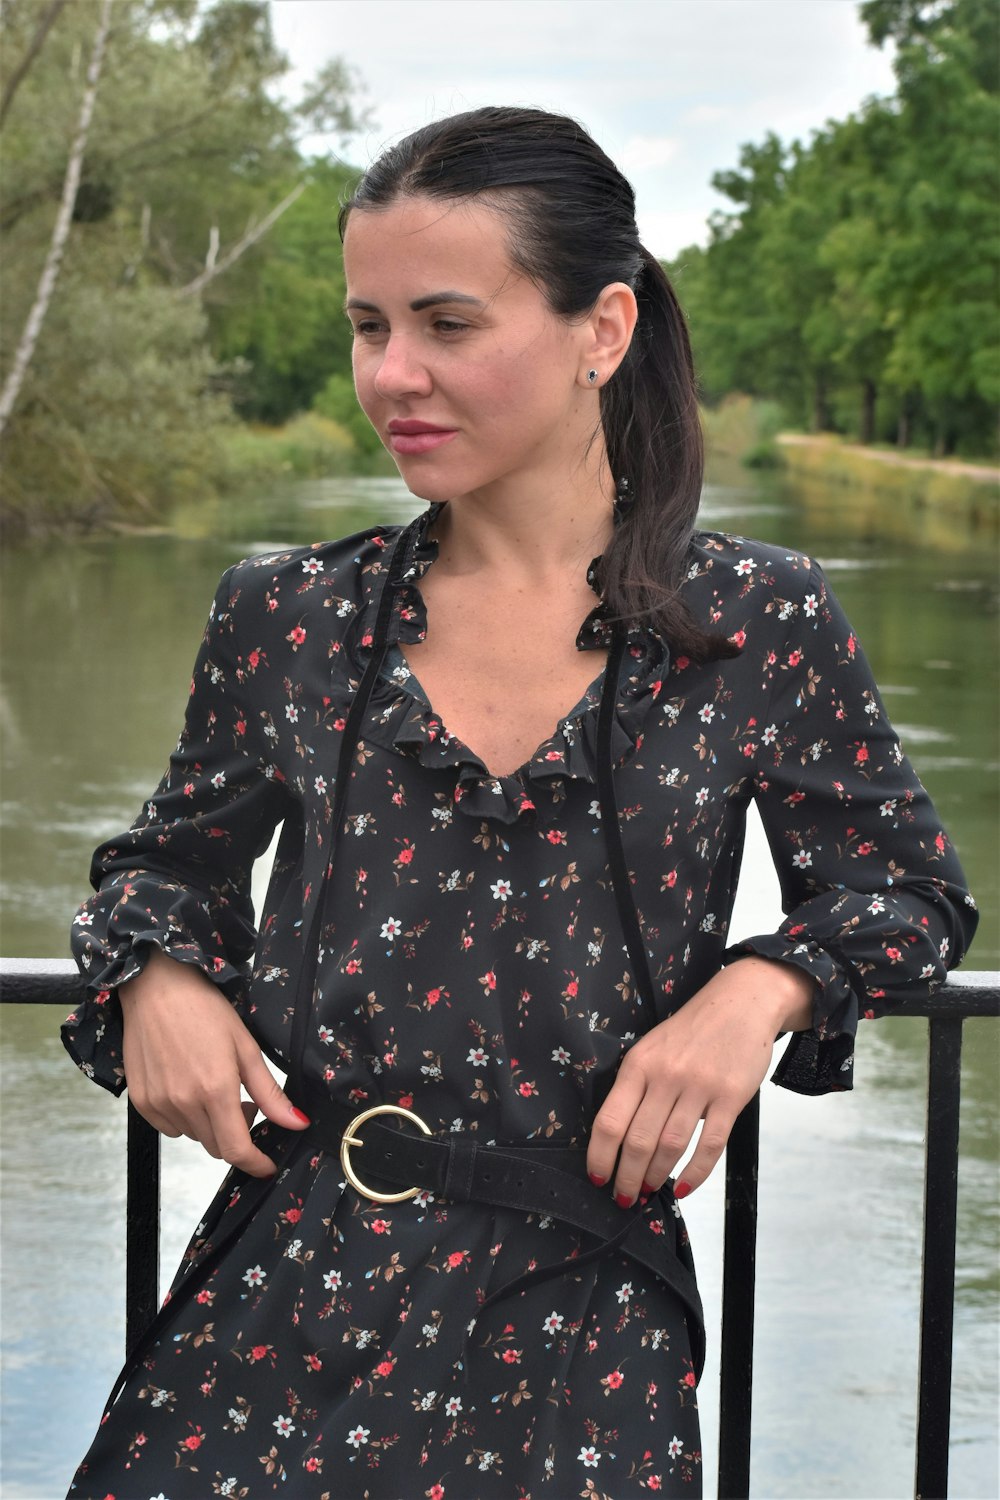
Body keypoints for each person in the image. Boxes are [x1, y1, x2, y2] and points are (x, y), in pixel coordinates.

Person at [62, 106, 977, 1499]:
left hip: (582, 1332)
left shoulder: (754, 622)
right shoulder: (289, 616)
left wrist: (760, 990)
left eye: (447, 323)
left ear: (600, 330)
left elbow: (906, 893)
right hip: (280, 1311)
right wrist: (161, 973)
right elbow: (163, 868)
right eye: (370, 326)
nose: (394, 374)